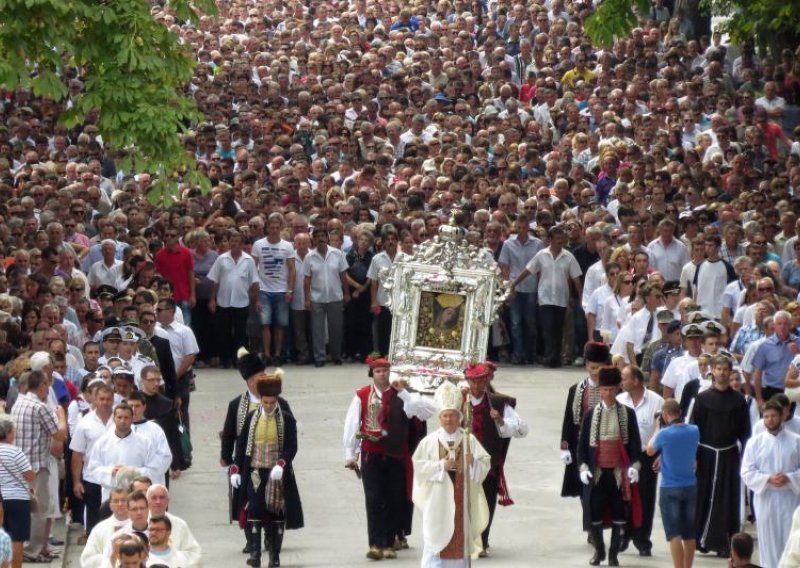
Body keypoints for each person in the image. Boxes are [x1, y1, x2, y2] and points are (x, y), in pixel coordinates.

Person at [343, 357, 435, 559]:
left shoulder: (402, 395)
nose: (382, 374)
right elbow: (352, 426)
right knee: (374, 499)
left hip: (396, 455)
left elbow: (425, 412)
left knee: (394, 499)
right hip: (371, 454)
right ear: (372, 374)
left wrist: (403, 391)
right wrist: (351, 454)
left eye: (385, 370)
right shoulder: (362, 395)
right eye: (378, 371)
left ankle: (389, 542)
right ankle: (376, 544)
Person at [412, 380, 491, 567]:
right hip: (437, 501)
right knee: (435, 542)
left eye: (453, 416)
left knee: (459, 540)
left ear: (460, 417)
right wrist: (440, 466)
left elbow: (485, 464)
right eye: (445, 416)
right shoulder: (429, 442)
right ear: (439, 418)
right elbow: (418, 465)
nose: (449, 419)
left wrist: (474, 463)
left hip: (461, 499)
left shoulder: (468, 439)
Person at [221, 348, 291, 555]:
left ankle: (271, 535)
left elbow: (289, 432)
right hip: (245, 460)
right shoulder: (237, 404)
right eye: (257, 377)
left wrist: (284, 460)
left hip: (273, 459)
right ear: (249, 381)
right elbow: (229, 433)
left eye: (264, 375)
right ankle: (251, 539)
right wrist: (226, 458)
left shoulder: (279, 402)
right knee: (247, 500)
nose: (262, 379)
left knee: (274, 500)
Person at [232, 373, 303, 568]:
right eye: (266, 402)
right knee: (254, 509)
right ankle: (255, 554)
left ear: (277, 400)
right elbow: (242, 444)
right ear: (261, 400)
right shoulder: (250, 419)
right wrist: (236, 469)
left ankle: (275, 556)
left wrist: (282, 463)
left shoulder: (287, 419)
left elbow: (291, 446)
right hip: (255, 472)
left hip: (276, 475)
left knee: (277, 513)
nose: (269, 406)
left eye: (273, 402)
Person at [461, 362, 528, 556]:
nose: (476, 385)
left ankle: (482, 541)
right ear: (467, 380)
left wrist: (501, 421)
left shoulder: (498, 402)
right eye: (472, 381)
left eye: (480, 380)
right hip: (463, 461)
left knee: (486, 502)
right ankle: (464, 539)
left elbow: (522, 430)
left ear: (487, 380)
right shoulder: (458, 400)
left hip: (488, 463)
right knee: (464, 502)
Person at [577, 366, 642, 567]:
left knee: (619, 513)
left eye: (611, 389)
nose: (607, 393)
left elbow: (635, 445)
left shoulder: (628, 414)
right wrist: (583, 468)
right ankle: (599, 551)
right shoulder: (590, 415)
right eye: (604, 389)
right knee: (594, 512)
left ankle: (613, 554)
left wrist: (634, 466)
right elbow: (582, 448)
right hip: (597, 472)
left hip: (618, 474)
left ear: (617, 389)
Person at [691, 354, 751, 557]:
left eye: (726, 369)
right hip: (706, 454)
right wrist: (694, 456)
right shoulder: (702, 398)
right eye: (718, 369)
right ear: (712, 371)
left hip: (728, 455)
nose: (722, 373)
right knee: (703, 496)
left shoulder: (739, 400)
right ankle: (701, 540)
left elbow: (745, 432)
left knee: (727, 499)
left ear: (730, 371)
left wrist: (746, 458)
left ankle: (725, 543)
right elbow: (694, 429)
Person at [9, 370, 66, 563]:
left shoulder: (19, 402)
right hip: (36, 466)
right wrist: (62, 415)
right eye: (47, 386)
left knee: (30, 509)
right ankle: (31, 551)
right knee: (39, 511)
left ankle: (37, 548)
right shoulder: (39, 407)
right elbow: (59, 435)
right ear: (41, 386)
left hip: (20, 465)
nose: (47, 390)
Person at [510, 224, 582, 367]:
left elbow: (576, 279)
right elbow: (528, 270)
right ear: (550, 240)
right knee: (548, 328)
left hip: (561, 299)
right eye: (557, 238)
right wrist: (514, 283)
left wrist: (580, 297)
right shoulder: (541, 255)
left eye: (562, 238)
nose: (560, 241)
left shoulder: (569, 257)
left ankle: (555, 358)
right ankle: (550, 357)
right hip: (545, 298)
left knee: (558, 329)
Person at [741, 398, 800, 568]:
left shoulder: (796, 441)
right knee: (768, 542)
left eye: (773, 416)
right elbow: (746, 471)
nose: (770, 420)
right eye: (766, 416)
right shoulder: (755, 443)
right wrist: (767, 479)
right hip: (766, 497)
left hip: (790, 497)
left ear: (782, 416)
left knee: (790, 541)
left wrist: (789, 477)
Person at [560, 342, 609, 537]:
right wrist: (565, 446)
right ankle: (592, 527)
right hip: (582, 446)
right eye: (592, 366)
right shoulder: (576, 390)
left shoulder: (613, 390)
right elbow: (568, 420)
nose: (595, 371)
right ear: (586, 365)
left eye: (599, 367)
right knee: (584, 489)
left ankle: (599, 523)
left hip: (606, 446)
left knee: (603, 489)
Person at [647, 398, 700, 568]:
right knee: (689, 534)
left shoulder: (664, 434)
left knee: (674, 534)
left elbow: (650, 450)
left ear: (664, 414)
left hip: (670, 486)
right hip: (690, 485)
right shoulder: (694, 430)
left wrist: (657, 428)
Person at [617, 365, 663, 557]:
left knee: (645, 498)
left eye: (624, 378)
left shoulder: (656, 401)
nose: (621, 381)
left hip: (647, 456)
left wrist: (661, 454)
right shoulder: (620, 400)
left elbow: (663, 430)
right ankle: (623, 536)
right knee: (623, 497)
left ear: (636, 381)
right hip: (624, 455)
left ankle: (642, 539)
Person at [85, 403, 162, 500]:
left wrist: (133, 472)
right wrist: (110, 472)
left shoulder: (145, 443)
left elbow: (154, 469)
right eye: (119, 417)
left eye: (126, 417)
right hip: (111, 496)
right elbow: (93, 469)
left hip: (137, 496)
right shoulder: (102, 442)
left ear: (132, 418)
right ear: (114, 418)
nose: (122, 421)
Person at [207, 229, 261, 368]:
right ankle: (225, 358)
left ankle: (239, 360)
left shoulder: (248, 260)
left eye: (237, 242)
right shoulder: (221, 259)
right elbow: (214, 280)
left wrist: (257, 301)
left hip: (241, 301)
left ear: (242, 244)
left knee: (240, 333)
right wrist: (212, 299)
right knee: (223, 332)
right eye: (232, 241)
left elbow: (255, 282)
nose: (234, 244)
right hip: (223, 301)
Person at [498, 214, 544, 365]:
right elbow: (504, 266)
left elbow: (540, 268)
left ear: (528, 228)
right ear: (515, 227)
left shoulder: (537, 244)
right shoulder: (508, 244)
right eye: (518, 227)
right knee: (516, 323)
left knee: (530, 322)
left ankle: (530, 354)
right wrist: (506, 288)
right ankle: (518, 354)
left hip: (531, 287)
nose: (521, 230)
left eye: (524, 227)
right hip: (514, 287)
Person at [251, 213, 296, 365]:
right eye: (272, 227)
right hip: (264, 289)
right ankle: (267, 354)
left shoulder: (287, 246)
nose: (274, 230)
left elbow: (291, 269)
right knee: (265, 323)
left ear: (281, 228)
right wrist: (255, 292)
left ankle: (277, 353)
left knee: (280, 324)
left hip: (281, 290)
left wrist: (289, 290)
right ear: (267, 228)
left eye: (277, 227)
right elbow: (253, 268)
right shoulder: (258, 245)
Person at [70, 382, 114, 535]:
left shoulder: (120, 419)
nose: (105, 403)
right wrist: (76, 481)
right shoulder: (84, 423)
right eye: (101, 399)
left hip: (115, 478)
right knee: (94, 521)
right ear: (95, 400)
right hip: (92, 478)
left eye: (108, 399)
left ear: (113, 400)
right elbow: (77, 453)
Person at [303, 227, 350, 367]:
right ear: (314, 240)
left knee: (336, 328)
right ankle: (319, 357)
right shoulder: (309, 257)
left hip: (335, 296)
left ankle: (336, 355)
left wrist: (346, 292)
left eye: (323, 236)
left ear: (327, 238)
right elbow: (306, 280)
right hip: (317, 297)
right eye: (318, 237)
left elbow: (343, 275)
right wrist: (306, 299)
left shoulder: (337, 254)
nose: (321, 239)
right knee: (317, 329)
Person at [156, 298, 198, 433]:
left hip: (180, 378)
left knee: (181, 413)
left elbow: (190, 356)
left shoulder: (184, 331)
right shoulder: (155, 330)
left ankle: (185, 450)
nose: (156, 313)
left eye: (159, 310)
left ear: (170, 311)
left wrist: (174, 376)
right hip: (158, 379)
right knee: (162, 413)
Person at [0, 414, 35, 568]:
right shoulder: (15, 452)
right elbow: (29, 475)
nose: (14, 434)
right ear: (7, 433)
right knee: (17, 538)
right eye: (13, 431)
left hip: (0, 499)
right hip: (17, 499)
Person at [145, 484, 201, 563]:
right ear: (147, 502)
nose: (158, 501)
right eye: (154, 498)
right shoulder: (138, 524)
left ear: (168, 501)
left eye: (162, 498)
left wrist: (174, 559)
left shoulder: (180, 524)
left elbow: (193, 552)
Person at [79, 487, 129, 568]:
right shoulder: (99, 529)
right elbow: (86, 559)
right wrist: (110, 557)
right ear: (110, 505)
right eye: (116, 501)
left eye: (123, 500)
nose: (120, 504)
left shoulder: (138, 525)